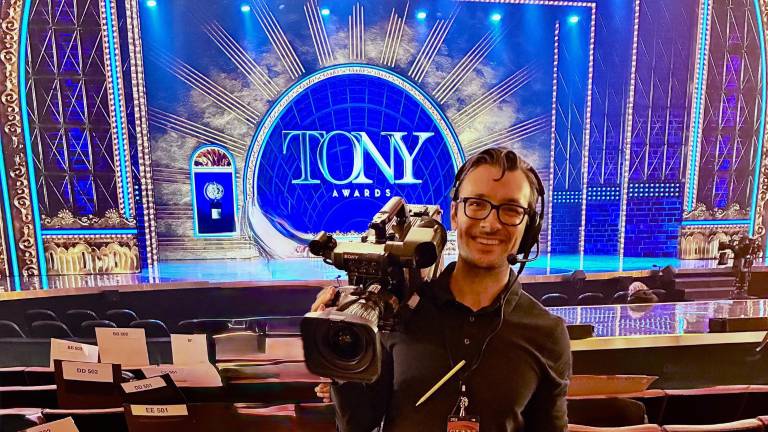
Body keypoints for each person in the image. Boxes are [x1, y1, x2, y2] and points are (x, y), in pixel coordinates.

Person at [312, 148, 571, 431]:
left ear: (528, 227)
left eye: (511, 209)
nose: (490, 223)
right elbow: (358, 425)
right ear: (455, 214)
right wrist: (342, 358)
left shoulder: (547, 333)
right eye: (476, 204)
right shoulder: (397, 313)